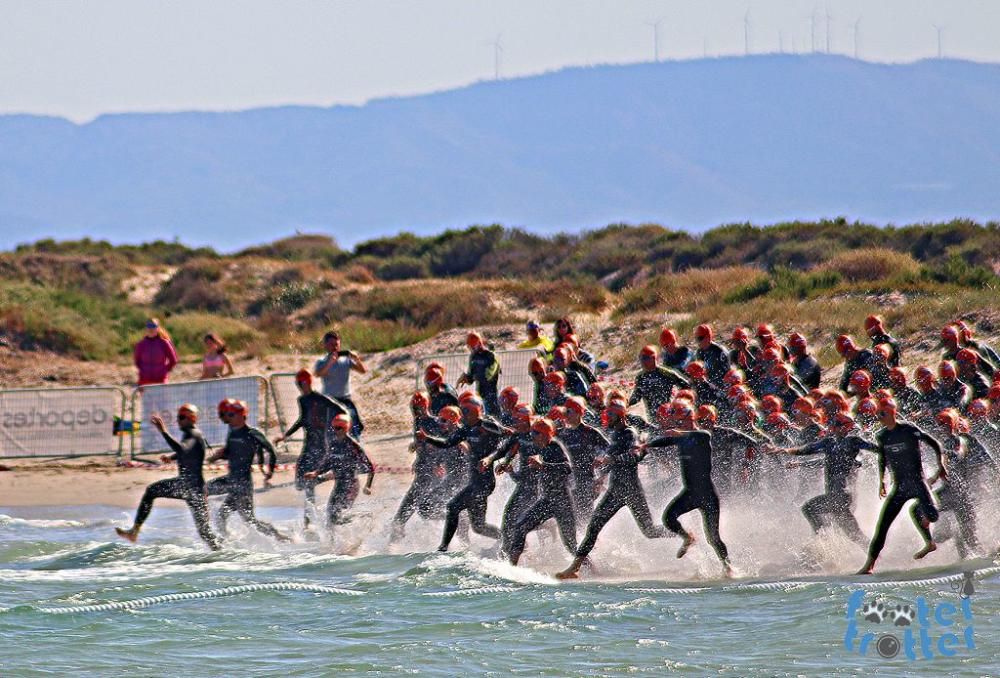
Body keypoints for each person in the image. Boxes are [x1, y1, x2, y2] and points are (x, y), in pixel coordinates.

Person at [557, 400, 667, 579]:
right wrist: (602, 475)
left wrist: (610, 461)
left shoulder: (628, 433)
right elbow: (610, 457)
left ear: (621, 416)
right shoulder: (614, 434)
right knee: (593, 528)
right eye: (607, 414)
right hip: (615, 490)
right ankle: (574, 568)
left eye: (611, 415)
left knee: (650, 531)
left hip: (631, 490)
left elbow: (634, 457)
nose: (607, 417)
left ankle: (683, 533)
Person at [857, 399, 946, 574]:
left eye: (882, 413)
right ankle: (869, 566)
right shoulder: (882, 436)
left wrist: (941, 465)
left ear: (892, 413)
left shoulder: (908, 430)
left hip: (917, 482)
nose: (879, 417)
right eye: (878, 414)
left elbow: (934, 443)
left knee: (933, 516)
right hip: (900, 487)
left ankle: (929, 539)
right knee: (882, 526)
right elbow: (882, 458)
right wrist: (881, 481)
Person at [643, 404, 733, 576]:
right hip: (690, 493)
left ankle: (728, 567)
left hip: (707, 495)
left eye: (680, 420)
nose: (677, 423)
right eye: (676, 420)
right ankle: (687, 537)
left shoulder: (702, 435)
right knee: (668, 518)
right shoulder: (680, 438)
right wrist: (645, 446)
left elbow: (698, 435)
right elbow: (664, 441)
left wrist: (681, 434)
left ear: (690, 418)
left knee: (713, 538)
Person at [115, 405, 221, 550]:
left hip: (187, 485)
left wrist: (163, 431)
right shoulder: (194, 435)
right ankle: (221, 551)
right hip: (196, 488)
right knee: (204, 531)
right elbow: (189, 452)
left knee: (151, 491)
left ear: (192, 419)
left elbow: (183, 449)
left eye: (182, 418)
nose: (178, 421)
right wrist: (172, 457)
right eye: (178, 417)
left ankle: (134, 531)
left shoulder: (193, 433)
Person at [767, 412, 875, 546]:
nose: (832, 427)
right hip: (835, 495)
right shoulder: (830, 443)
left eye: (836, 425)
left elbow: (876, 449)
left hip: (842, 495)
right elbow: (810, 450)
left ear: (846, 427)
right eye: (832, 424)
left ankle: (822, 543)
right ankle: (876, 554)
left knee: (809, 508)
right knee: (853, 535)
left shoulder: (853, 442)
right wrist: (789, 454)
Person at [418, 396, 505, 551]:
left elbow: (506, 436)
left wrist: (492, 458)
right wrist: (427, 438)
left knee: (452, 507)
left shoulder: (487, 426)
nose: (463, 416)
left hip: (484, 483)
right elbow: (446, 444)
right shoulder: (466, 430)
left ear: (474, 413)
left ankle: (443, 548)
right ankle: (508, 537)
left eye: (465, 413)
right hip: (474, 483)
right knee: (479, 527)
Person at [205, 400, 289, 542]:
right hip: (231, 480)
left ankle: (278, 536)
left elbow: (272, 451)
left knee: (250, 521)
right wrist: (217, 456)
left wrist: (269, 472)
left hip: (243, 484)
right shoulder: (232, 433)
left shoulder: (252, 433)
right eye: (227, 414)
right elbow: (232, 452)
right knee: (217, 512)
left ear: (242, 415)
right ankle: (226, 544)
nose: (228, 418)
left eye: (231, 415)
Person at [274, 369, 348, 527]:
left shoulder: (320, 399)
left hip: (321, 443)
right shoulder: (302, 400)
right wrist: (285, 435)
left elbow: (341, 412)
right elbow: (301, 420)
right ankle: (317, 489)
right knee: (301, 476)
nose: (300, 387)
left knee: (308, 482)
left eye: (301, 384)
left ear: (307, 383)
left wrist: (333, 429)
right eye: (298, 384)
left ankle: (307, 520)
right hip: (309, 442)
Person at [505, 418, 579, 566]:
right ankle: (511, 566)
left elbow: (567, 468)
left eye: (536, 433)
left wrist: (543, 465)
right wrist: (511, 471)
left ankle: (591, 570)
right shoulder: (540, 449)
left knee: (570, 544)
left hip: (562, 501)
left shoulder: (554, 446)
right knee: (520, 527)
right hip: (547, 500)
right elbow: (523, 476)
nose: (532, 436)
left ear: (546, 435)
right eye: (532, 432)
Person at [303, 414, 375, 526]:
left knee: (337, 517)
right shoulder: (334, 444)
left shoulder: (353, 445)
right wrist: (316, 473)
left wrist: (368, 486)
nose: (337, 431)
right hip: (339, 484)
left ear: (346, 428)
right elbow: (328, 462)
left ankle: (363, 517)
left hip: (351, 485)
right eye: (335, 428)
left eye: (339, 428)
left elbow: (370, 466)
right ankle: (332, 542)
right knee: (330, 516)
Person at [560, 396, 610, 522]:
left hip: (586, 481)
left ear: (578, 413)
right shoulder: (561, 434)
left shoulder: (590, 432)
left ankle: (594, 540)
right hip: (568, 481)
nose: (566, 415)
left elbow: (610, 451)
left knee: (584, 518)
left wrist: (601, 460)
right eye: (564, 412)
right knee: (570, 518)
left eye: (568, 412)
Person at [315, 330, 367, 438]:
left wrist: (356, 359)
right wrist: (330, 363)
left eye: (337, 345)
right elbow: (319, 374)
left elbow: (363, 371)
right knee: (331, 429)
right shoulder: (322, 361)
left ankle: (356, 447)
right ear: (325, 345)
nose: (335, 347)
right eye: (332, 345)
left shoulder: (345, 360)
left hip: (345, 399)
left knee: (354, 426)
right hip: (330, 401)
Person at [628, 345, 690, 419]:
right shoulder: (641, 377)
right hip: (652, 418)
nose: (642, 361)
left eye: (645, 358)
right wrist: (626, 404)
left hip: (668, 415)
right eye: (640, 358)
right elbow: (637, 396)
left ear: (653, 358)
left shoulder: (666, 373)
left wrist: (680, 402)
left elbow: (686, 386)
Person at [458, 332, 502, 417]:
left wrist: (474, 377)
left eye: (472, 346)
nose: (471, 349)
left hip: (491, 394)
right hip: (480, 395)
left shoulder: (491, 356)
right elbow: (471, 378)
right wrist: (465, 378)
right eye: (470, 347)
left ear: (478, 343)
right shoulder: (473, 356)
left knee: (494, 418)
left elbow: (489, 376)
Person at [133, 318, 178, 385]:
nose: (151, 328)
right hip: (145, 381)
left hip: (160, 380)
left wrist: (164, 370)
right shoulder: (141, 344)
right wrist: (144, 371)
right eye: (149, 326)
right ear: (146, 328)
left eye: (153, 326)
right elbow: (137, 362)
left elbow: (173, 360)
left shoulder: (164, 343)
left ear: (158, 328)